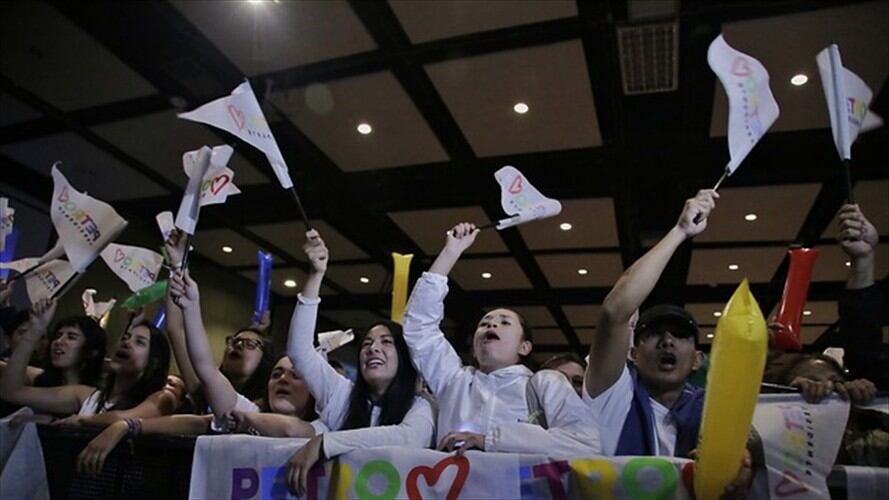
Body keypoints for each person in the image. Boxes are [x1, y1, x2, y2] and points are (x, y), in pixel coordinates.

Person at [584, 190, 752, 498]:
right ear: (633, 354)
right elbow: (615, 311)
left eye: (680, 335)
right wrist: (680, 231)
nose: (667, 341)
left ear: (698, 359)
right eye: (653, 334)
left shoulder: (716, 412)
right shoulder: (613, 395)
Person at [401, 222, 598, 458]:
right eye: (484, 323)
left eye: (505, 322)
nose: (491, 325)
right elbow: (420, 326)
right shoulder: (454, 381)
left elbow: (585, 443)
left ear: (524, 346)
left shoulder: (544, 384)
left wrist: (489, 441)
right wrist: (450, 253)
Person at [285, 231, 435, 496]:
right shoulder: (341, 395)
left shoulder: (420, 406)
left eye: (386, 342)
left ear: (405, 358)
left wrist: (325, 443)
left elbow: (410, 438)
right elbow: (299, 352)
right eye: (367, 343)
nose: (373, 348)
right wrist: (316, 275)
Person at [0, 298, 175, 424]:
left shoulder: (162, 399)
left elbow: (119, 418)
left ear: (155, 362)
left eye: (140, 342)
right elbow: (11, 392)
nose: (126, 343)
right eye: (125, 337)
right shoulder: (87, 396)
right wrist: (35, 330)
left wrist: (77, 421)